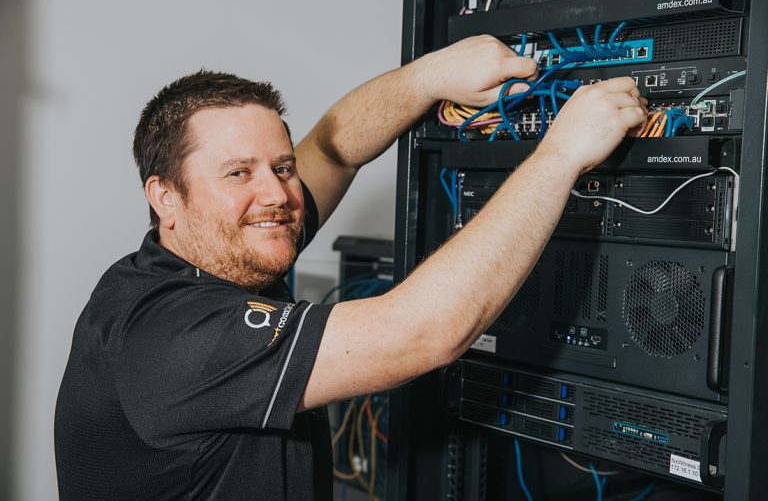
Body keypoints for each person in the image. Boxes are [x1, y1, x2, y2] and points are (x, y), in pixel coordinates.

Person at [54, 35, 646, 500]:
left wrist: (431, 76)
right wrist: (562, 154)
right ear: (165, 197)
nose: (277, 194)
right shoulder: (171, 335)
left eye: (281, 167)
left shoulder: (219, 249)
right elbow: (419, 334)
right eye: (238, 173)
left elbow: (333, 148)